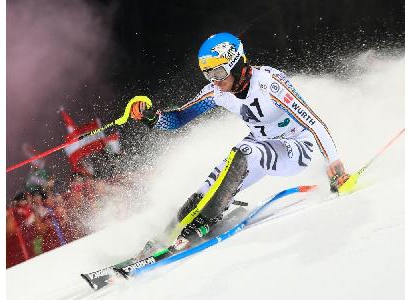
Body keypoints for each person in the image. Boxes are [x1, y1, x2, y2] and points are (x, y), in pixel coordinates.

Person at [129, 32, 349, 249]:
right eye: (208, 74)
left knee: (242, 151)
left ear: (236, 65)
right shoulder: (217, 92)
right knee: (207, 188)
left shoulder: (270, 84)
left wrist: (335, 166)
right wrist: (152, 117)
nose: (214, 81)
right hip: (260, 145)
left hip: (296, 147)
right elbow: (177, 119)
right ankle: (164, 238)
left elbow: (314, 123)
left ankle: (206, 221)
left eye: (218, 72)